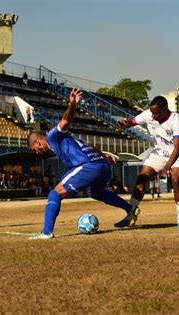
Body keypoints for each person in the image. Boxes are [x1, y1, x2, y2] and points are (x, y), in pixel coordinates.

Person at [27, 88, 137, 239]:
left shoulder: (53, 135)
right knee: (96, 192)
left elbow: (65, 120)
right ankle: (130, 209)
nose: (37, 153)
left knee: (55, 193)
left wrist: (72, 104)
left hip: (88, 166)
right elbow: (90, 146)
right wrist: (104, 156)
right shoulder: (64, 141)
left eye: (35, 149)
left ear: (38, 142)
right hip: (102, 165)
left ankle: (46, 232)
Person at [118, 96, 179, 229]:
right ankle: (130, 216)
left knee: (176, 179)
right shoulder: (148, 114)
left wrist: (168, 165)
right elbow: (132, 122)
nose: (153, 116)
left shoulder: (176, 120)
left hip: (177, 154)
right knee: (141, 179)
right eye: (152, 112)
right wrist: (126, 124)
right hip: (159, 153)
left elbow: (178, 147)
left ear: (164, 110)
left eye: (156, 113)